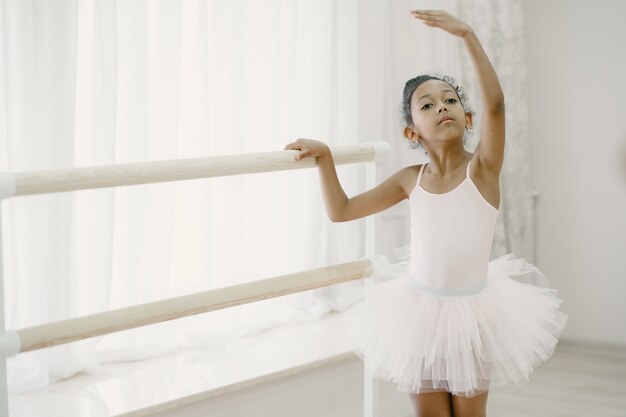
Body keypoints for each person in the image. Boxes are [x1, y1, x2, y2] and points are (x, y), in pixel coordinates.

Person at [284, 9, 568, 417]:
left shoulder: (483, 169)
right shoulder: (408, 180)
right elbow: (341, 211)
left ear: (468, 119)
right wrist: (325, 157)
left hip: (474, 315)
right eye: (428, 104)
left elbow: (498, 106)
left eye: (451, 100)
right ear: (411, 131)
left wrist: (467, 35)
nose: (442, 107)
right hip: (418, 315)